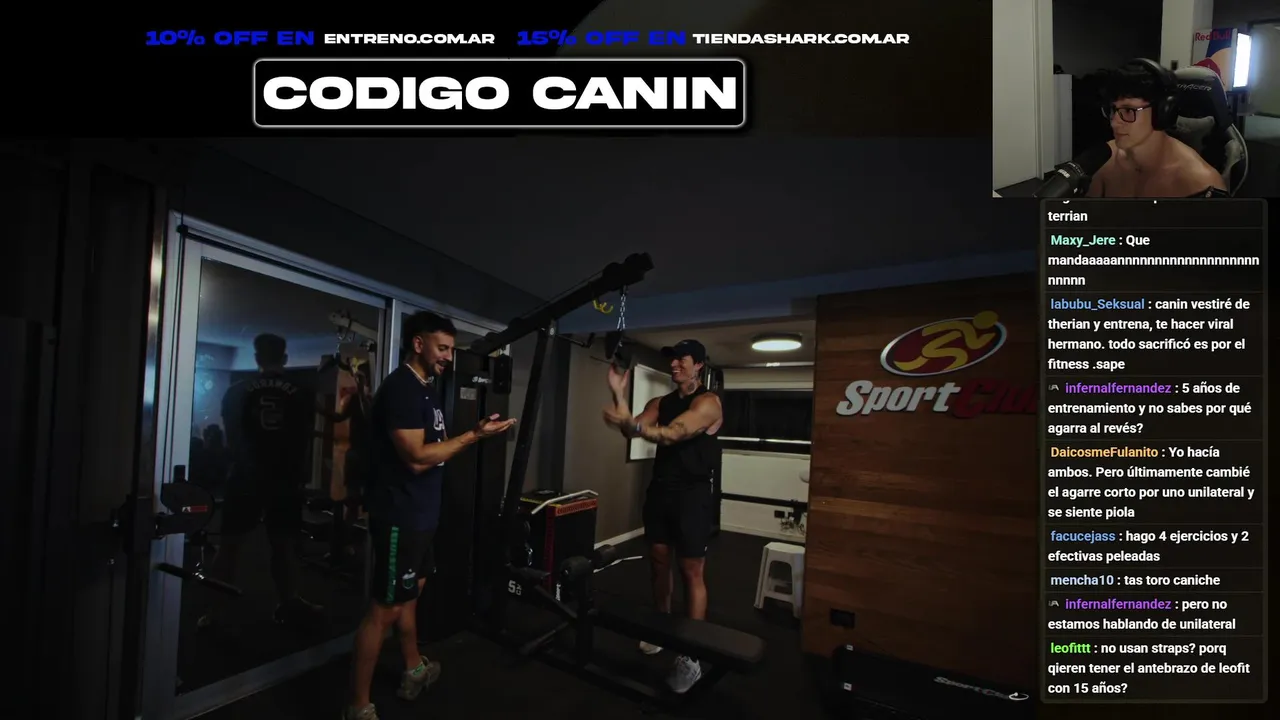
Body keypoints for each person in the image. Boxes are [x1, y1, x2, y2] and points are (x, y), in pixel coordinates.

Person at [344, 311, 517, 720]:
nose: (448, 358)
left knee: (409, 599)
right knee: (384, 610)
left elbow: (432, 449)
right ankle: (358, 705)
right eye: (443, 348)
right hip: (400, 517)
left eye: (451, 350)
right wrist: (474, 435)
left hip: (422, 516)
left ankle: (413, 668)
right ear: (418, 344)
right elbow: (418, 458)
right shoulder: (402, 389)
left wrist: (473, 432)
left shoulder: (425, 389)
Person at [602, 339, 723, 694]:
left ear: (698, 365)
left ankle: (691, 655)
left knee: (690, 570)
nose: (674, 365)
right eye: (672, 360)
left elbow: (673, 434)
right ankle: (661, 626)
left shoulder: (708, 403)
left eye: (681, 360)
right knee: (657, 561)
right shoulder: (659, 403)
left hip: (693, 496)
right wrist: (618, 395)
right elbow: (630, 428)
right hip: (661, 491)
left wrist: (634, 425)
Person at [202, 333, 323, 629]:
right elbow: (303, 438)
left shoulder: (236, 391)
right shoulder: (301, 391)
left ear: (257, 358)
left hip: (245, 476)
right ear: (284, 358)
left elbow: (231, 436)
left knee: (229, 546)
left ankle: (214, 613)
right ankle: (287, 602)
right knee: (283, 545)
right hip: (283, 479)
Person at [1087, 60, 1228, 198]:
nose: (1114, 123)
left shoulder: (1202, 183)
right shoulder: (1103, 161)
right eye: (1112, 110)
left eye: (1128, 110)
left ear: (1161, 112)